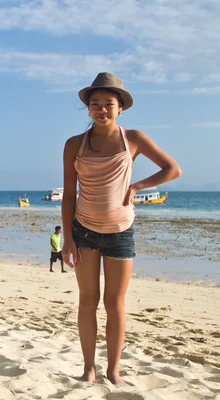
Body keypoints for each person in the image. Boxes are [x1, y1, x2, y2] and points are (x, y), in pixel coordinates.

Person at [61, 72, 181, 385]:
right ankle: (89, 369)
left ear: (120, 108)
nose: (101, 109)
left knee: (114, 305)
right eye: (95, 104)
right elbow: (68, 195)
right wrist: (67, 239)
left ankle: (113, 371)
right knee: (88, 300)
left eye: (108, 104)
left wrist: (138, 186)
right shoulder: (74, 144)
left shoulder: (134, 139)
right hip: (83, 231)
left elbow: (172, 169)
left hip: (121, 232)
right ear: (87, 108)